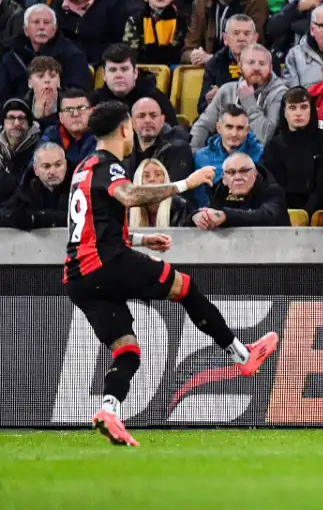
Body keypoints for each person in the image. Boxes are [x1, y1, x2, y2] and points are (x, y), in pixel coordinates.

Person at [64, 100, 277, 447]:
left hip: (78, 277)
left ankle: (108, 410)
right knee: (185, 287)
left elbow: (88, 226)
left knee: (127, 350)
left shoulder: (82, 169)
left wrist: (140, 238)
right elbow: (129, 195)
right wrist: (185, 183)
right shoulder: (109, 166)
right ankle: (242, 355)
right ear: (124, 129)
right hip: (106, 264)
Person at [259, 86, 323, 216]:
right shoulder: (273, 147)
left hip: (322, 215)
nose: (298, 113)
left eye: (303, 107)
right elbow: (273, 187)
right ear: (284, 112)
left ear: (312, 111)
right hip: (283, 215)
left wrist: (307, 213)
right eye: (292, 108)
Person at [189, 44, 285, 152]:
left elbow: (264, 138)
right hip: (224, 155)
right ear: (240, 66)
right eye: (251, 63)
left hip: (260, 159)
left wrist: (249, 102)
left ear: (271, 67)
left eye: (262, 64)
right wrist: (194, 153)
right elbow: (203, 125)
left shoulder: (280, 94)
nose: (257, 68)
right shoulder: (226, 90)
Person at [0, 4, 89, 102]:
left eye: (46, 22)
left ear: (54, 29)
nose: (41, 27)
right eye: (36, 22)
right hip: (19, 113)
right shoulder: (12, 56)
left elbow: (76, 95)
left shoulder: (74, 56)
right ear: (26, 30)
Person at [48, 0, 125, 66]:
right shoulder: (59, 1)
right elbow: (52, 38)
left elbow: (117, 44)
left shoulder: (112, 2)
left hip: (102, 62)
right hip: (64, 62)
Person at [190, 104, 264, 207]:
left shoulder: (259, 153)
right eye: (229, 127)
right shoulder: (202, 157)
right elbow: (200, 197)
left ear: (247, 130)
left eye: (239, 128)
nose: (234, 133)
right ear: (219, 128)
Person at [192, 152, 287, 228]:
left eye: (244, 171)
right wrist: (196, 217)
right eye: (231, 172)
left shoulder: (272, 189)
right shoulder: (219, 189)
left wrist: (226, 216)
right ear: (224, 178)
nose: (237, 177)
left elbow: (269, 216)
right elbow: (213, 214)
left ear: (255, 174)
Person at [91, 44, 175, 123]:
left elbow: (173, 135)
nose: (118, 75)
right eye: (112, 70)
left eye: (124, 69)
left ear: (135, 73)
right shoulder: (94, 101)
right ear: (104, 75)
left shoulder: (157, 101)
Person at [0, 140, 68, 228]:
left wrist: (37, 218)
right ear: (36, 170)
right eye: (46, 166)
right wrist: (14, 218)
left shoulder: (78, 186)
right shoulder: (29, 187)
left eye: (58, 165)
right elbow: (4, 213)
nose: (52, 172)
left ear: (65, 165)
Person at [127, 96, 192, 182]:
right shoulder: (123, 151)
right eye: (141, 116)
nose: (147, 120)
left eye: (153, 115)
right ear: (132, 122)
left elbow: (176, 190)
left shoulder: (178, 149)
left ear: (162, 120)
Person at [127, 157, 193, 227]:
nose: (152, 179)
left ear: (165, 179)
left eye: (158, 174)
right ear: (139, 181)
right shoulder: (128, 210)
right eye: (146, 176)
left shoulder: (181, 206)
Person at [0, 98, 40, 200]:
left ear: (29, 124)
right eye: (11, 118)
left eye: (21, 118)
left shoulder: (39, 148)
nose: (17, 123)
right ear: (3, 124)